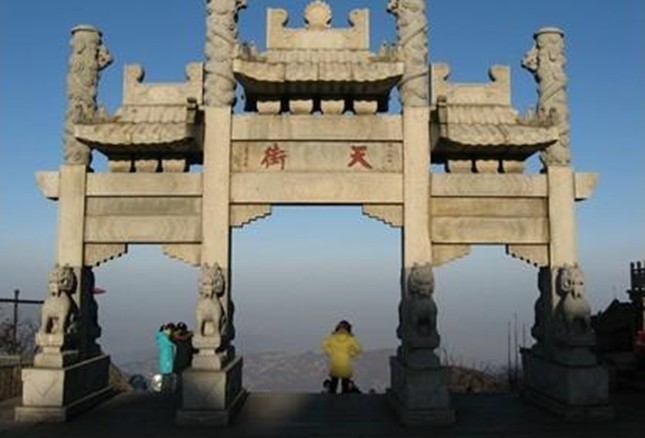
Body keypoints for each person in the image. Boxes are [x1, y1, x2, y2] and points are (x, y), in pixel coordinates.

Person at [322, 320, 362, 394]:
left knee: (334, 383)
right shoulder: (350, 338)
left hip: (336, 362)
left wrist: (331, 353)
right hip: (345, 363)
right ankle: (344, 398)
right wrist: (350, 354)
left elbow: (324, 345)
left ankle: (332, 398)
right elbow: (358, 349)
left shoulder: (333, 338)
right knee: (345, 385)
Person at [155, 323, 176, 392]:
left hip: (166, 360)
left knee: (166, 377)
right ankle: (166, 392)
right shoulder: (163, 337)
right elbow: (172, 343)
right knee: (167, 377)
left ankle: (165, 391)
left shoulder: (162, 337)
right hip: (167, 360)